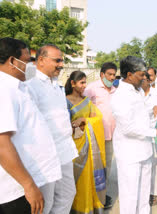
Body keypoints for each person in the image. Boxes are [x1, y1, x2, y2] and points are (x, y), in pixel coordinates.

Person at [0, 38, 61, 214]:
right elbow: (2, 144)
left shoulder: (20, 87)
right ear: (12, 61)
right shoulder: (4, 90)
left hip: (27, 181)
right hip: (16, 190)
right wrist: (28, 185)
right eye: (27, 61)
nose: (31, 66)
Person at [111, 56, 157, 214]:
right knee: (130, 196)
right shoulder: (120, 96)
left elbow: (139, 117)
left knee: (144, 195)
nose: (145, 78)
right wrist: (155, 132)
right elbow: (128, 127)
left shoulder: (136, 92)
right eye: (141, 74)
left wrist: (153, 109)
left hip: (144, 150)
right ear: (129, 75)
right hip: (129, 153)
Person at [26, 44, 78, 214]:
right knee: (45, 202)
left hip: (64, 150)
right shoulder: (31, 85)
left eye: (61, 60)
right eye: (57, 60)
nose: (61, 64)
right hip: (45, 155)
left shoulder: (56, 85)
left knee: (67, 194)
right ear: (41, 60)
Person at [65, 71, 107, 214]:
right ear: (72, 83)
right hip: (73, 147)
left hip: (89, 147)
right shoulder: (64, 101)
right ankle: (77, 209)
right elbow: (62, 124)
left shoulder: (87, 102)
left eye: (85, 82)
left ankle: (90, 207)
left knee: (89, 178)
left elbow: (97, 119)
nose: (84, 86)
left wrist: (84, 121)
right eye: (81, 82)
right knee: (76, 180)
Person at [83, 62, 117, 208]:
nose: (112, 77)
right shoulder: (92, 88)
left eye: (114, 75)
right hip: (95, 136)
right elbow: (83, 106)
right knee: (94, 166)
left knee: (107, 166)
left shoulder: (116, 90)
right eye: (109, 74)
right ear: (102, 74)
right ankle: (91, 195)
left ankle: (102, 195)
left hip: (111, 135)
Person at [141, 72, 157, 206]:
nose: (141, 82)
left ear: (149, 81)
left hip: (154, 133)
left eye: (144, 79)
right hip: (140, 134)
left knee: (155, 164)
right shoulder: (136, 94)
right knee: (143, 165)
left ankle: (153, 194)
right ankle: (142, 192)